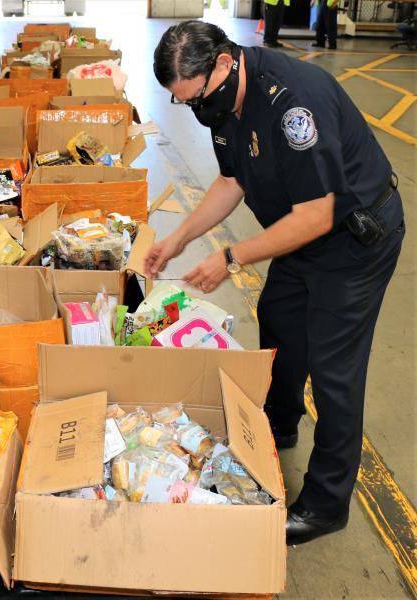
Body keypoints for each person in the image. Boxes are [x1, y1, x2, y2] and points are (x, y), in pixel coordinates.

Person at [148, 21, 404, 545]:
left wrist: (231, 256)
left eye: (198, 98)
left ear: (223, 62)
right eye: (184, 104)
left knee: (335, 372)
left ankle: (327, 503)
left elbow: (317, 215)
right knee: (280, 320)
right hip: (300, 232)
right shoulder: (223, 103)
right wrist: (177, 239)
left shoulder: (293, 105)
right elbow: (231, 179)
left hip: (352, 239)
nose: (197, 111)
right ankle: (280, 423)